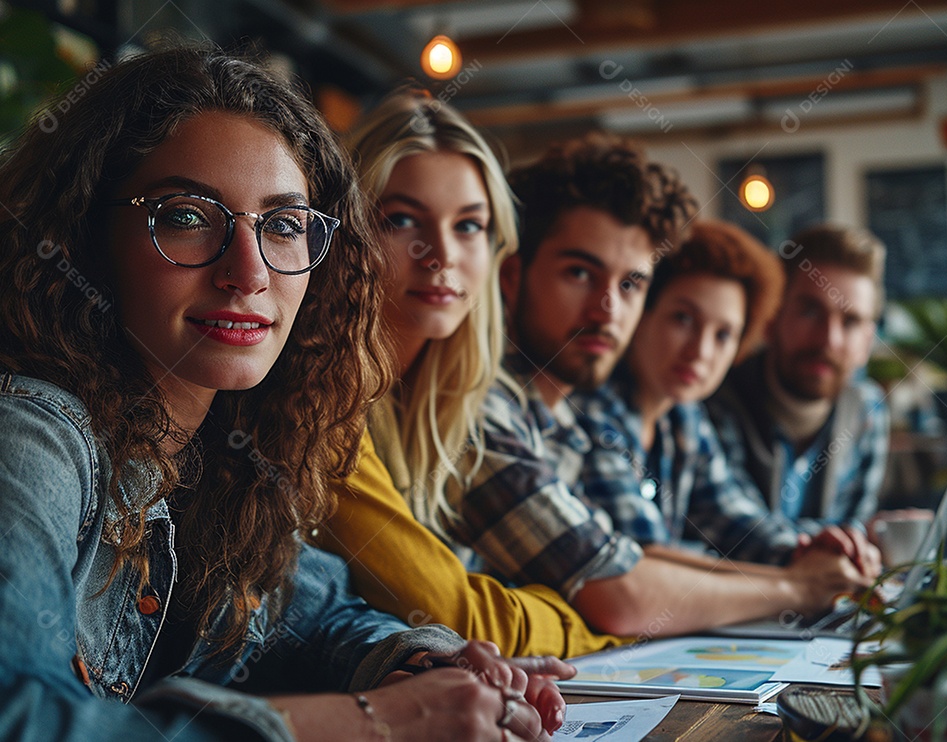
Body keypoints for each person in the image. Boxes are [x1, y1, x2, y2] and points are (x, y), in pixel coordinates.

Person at [0, 45, 567, 742]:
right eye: (187, 216)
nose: (248, 273)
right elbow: (19, 720)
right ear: (86, 234)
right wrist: (374, 721)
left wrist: (425, 664)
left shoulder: (231, 452)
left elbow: (320, 616)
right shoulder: (29, 436)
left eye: (284, 225)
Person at [442, 134, 876, 638]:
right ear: (512, 277)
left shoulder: (591, 417)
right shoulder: (487, 407)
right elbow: (623, 581)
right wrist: (800, 586)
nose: (607, 310)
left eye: (630, 283)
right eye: (579, 273)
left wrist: (810, 554)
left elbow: (731, 524)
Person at [321, 88, 630, 659]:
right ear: (345, 233)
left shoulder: (442, 405)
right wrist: (604, 625)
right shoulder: (320, 401)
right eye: (400, 219)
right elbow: (456, 613)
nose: (440, 255)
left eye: (468, 226)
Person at [573, 219, 793, 560]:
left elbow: (733, 516)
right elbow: (645, 559)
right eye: (683, 319)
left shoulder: (684, 416)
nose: (700, 351)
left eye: (723, 335)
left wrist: (805, 551)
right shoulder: (594, 405)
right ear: (641, 313)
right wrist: (799, 581)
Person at [706, 223, 889, 569]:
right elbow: (737, 533)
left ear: (867, 341)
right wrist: (836, 544)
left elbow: (852, 528)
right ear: (772, 318)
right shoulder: (715, 400)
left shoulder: (867, 410)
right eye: (810, 312)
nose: (828, 339)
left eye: (850, 321)